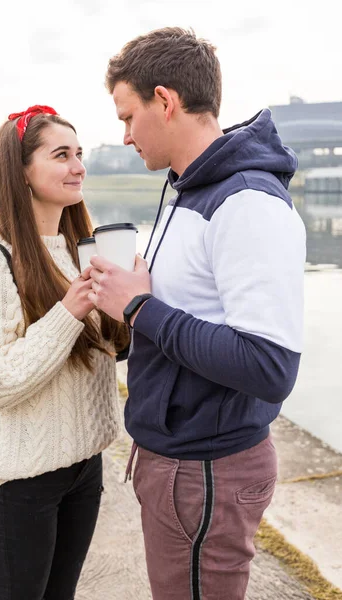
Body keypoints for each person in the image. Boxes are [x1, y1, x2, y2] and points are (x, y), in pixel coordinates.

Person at [86, 27, 306, 600]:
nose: (126, 135)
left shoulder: (247, 202)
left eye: (127, 116)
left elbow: (268, 366)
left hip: (206, 472)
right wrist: (126, 304)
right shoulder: (188, 190)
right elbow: (184, 314)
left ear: (165, 100)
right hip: (180, 463)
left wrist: (139, 306)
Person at [0, 104, 129, 600]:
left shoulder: (82, 253)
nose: (78, 166)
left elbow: (110, 351)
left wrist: (132, 299)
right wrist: (69, 311)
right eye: (61, 155)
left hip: (84, 466)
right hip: (19, 481)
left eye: (80, 154)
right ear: (23, 172)